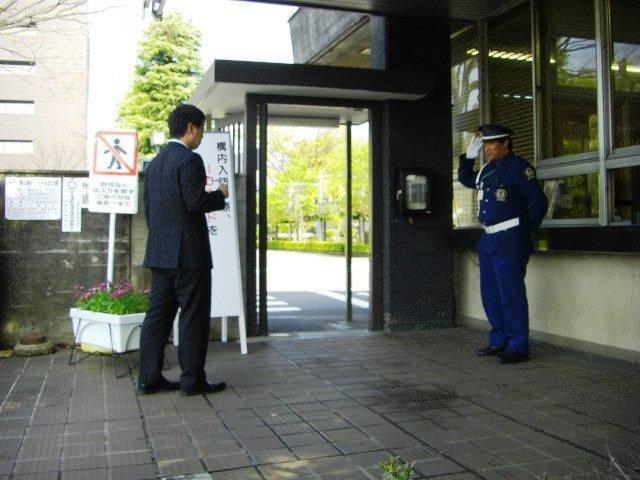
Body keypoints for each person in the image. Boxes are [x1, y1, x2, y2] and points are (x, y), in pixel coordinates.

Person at [137, 103, 229, 395]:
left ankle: (149, 378)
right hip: (189, 256)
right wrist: (220, 195)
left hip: (160, 253)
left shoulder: (156, 163)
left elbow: (150, 211)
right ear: (191, 128)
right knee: (193, 317)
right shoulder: (190, 159)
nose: (201, 136)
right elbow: (195, 202)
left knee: (157, 318)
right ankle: (192, 380)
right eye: (201, 129)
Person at [458, 124, 547, 364]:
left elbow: (538, 202)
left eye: (491, 144)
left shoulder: (519, 168)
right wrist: (467, 159)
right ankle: (499, 341)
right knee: (491, 296)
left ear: (506, 143)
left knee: (511, 296)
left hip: (510, 240)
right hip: (489, 241)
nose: (486, 149)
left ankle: (518, 346)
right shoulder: (488, 169)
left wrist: (524, 231)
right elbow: (467, 180)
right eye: (484, 144)